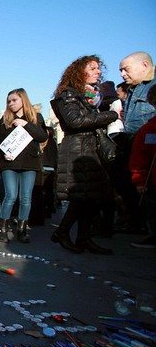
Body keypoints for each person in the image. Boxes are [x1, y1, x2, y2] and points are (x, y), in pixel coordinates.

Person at [50, 55, 118, 254]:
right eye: (93, 68)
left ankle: (83, 238)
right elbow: (75, 122)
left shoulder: (88, 98)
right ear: (79, 72)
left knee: (90, 198)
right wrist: (110, 115)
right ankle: (63, 232)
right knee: (81, 198)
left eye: (98, 68)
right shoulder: (68, 95)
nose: (98, 72)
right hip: (78, 150)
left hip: (87, 148)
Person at [0, 89, 48, 243]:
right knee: (10, 196)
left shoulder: (35, 118)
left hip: (29, 163)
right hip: (10, 163)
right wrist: (3, 153)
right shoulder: (5, 120)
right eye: (9, 101)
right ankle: (2, 227)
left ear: (23, 100)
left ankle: (22, 229)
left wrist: (26, 124)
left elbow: (43, 136)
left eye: (14, 100)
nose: (11, 104)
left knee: (26, 198)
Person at [114, 52, 156, 233]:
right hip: (134, 146)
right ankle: (139, 224)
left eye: (126, 69)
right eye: (121, 71)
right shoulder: (132, 89)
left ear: (144, 65)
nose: (123, 74)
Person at [129, 85, 156, 248]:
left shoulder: (148, 129)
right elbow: (141, 157)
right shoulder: (149, 129)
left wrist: (139, 179)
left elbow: (140, 157)